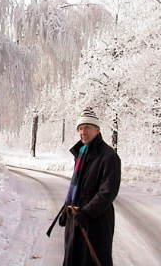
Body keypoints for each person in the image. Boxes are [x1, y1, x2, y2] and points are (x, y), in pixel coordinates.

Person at [59, 108, 121, 266]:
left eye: (87, 127)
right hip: (76, 217)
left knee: (92, 261)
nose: (83, 132)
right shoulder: (81, 153)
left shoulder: (109, 157)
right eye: (80, 128)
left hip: (96, 221)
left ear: (97, 130)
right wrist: (66, 209)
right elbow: (76, 187)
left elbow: (107, 192)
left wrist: (87, 213)